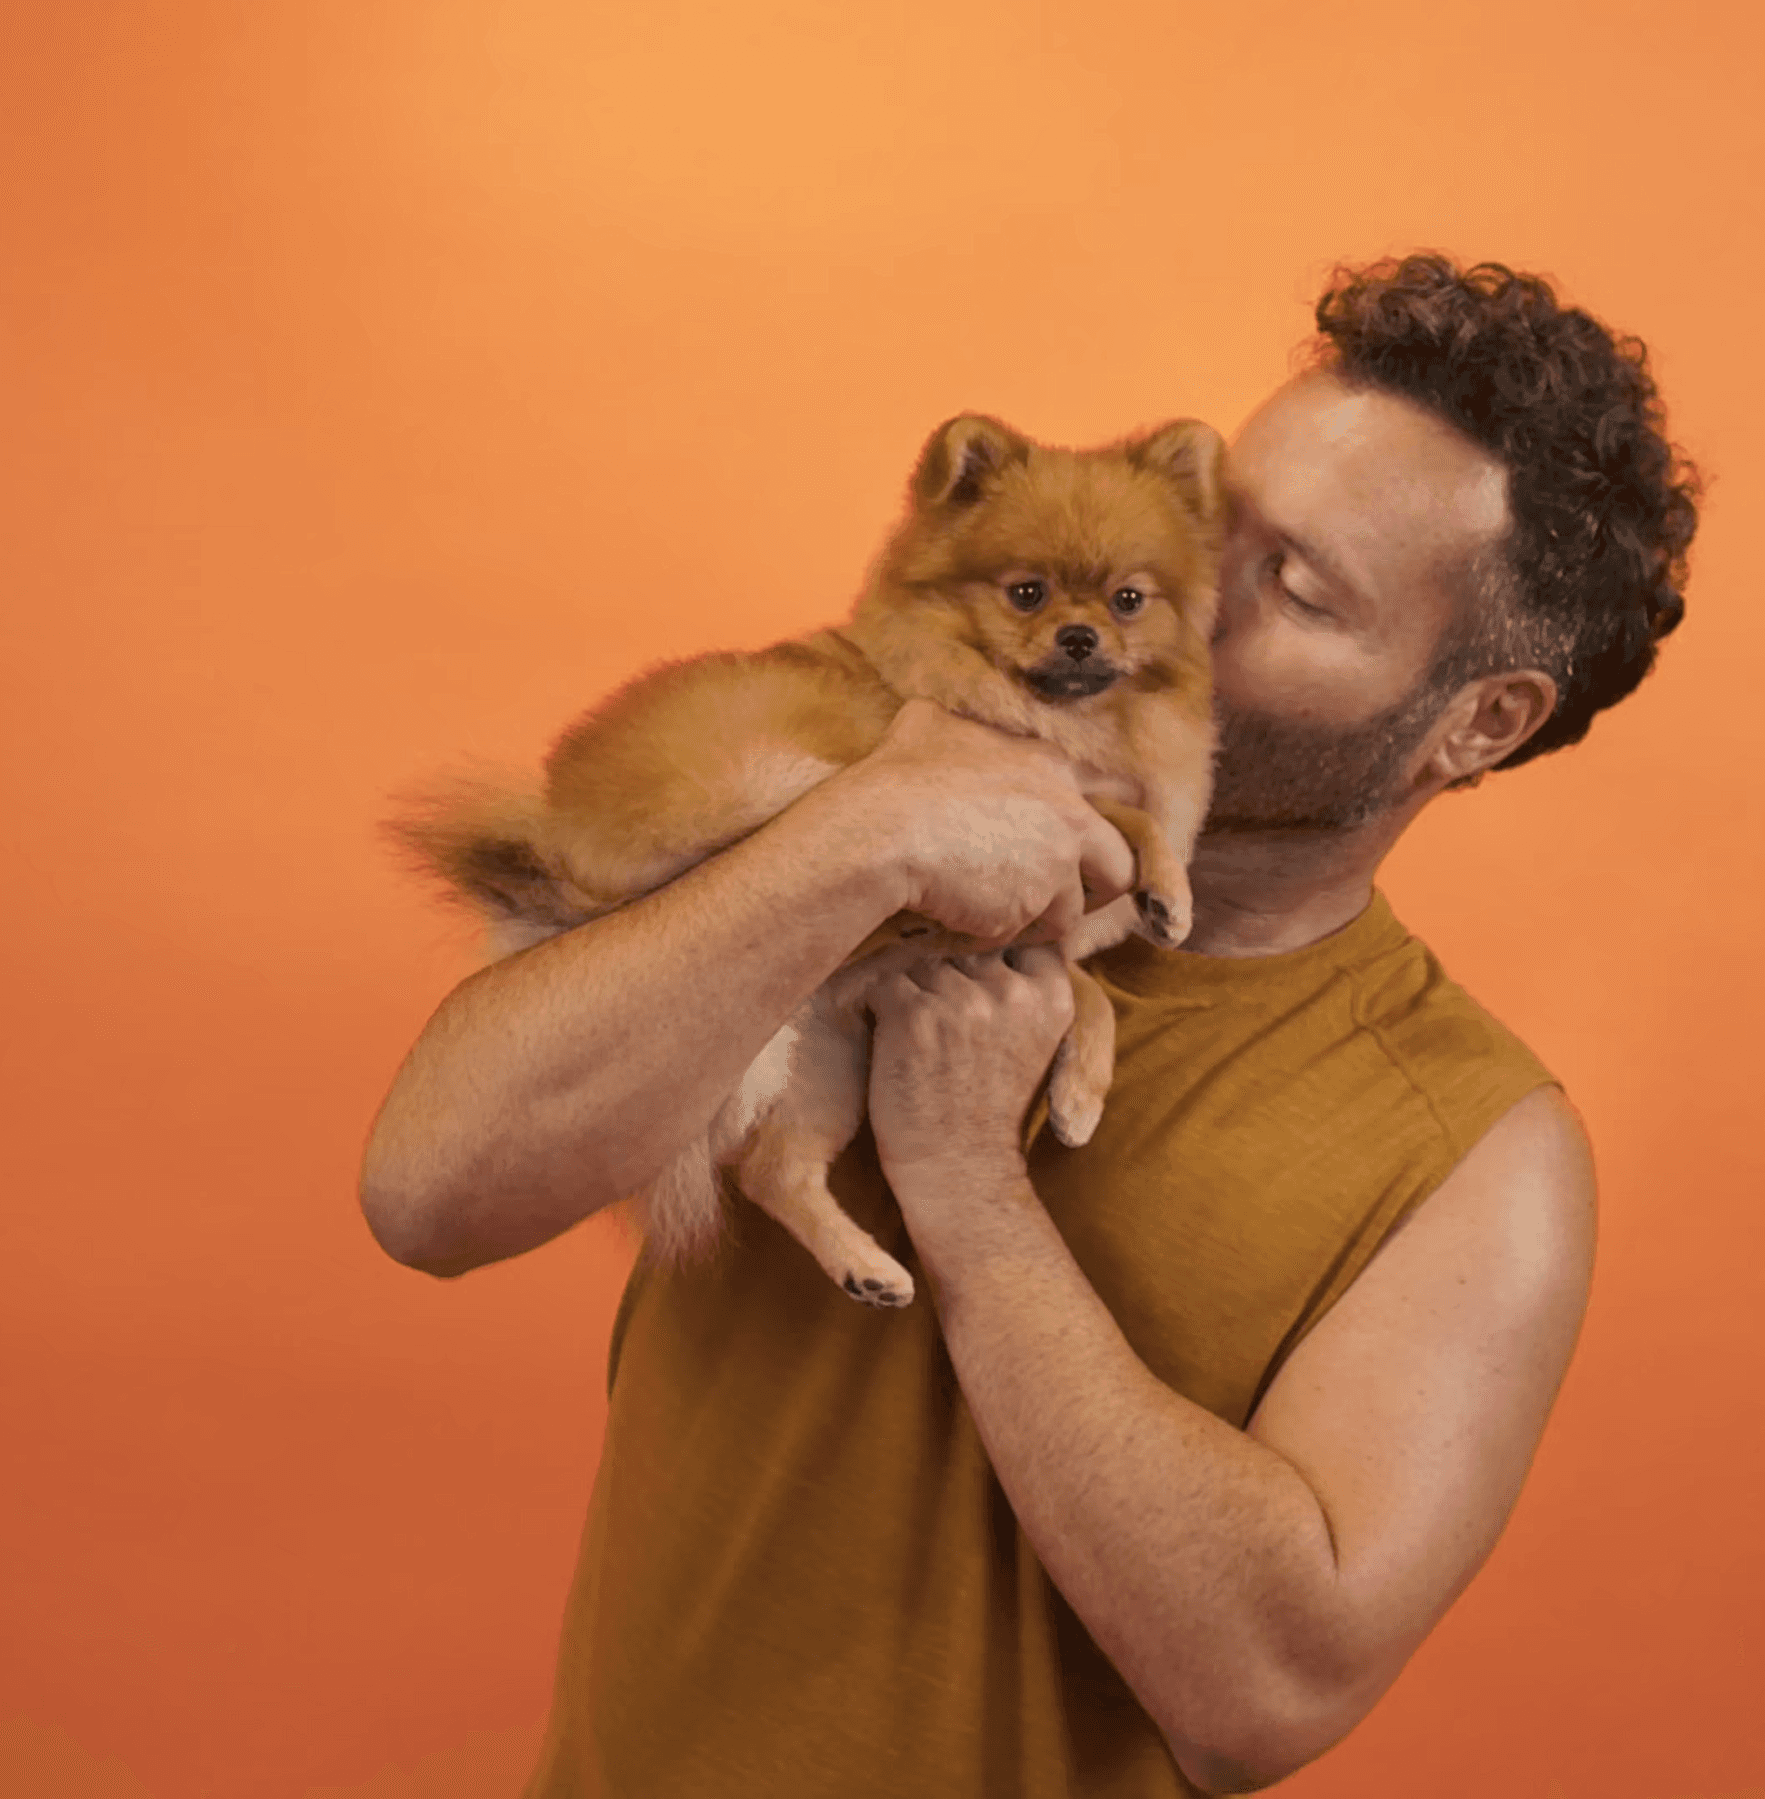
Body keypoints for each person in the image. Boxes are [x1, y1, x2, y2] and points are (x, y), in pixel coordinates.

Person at [359, 253, 1701, 1797]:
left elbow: (1265, 1688)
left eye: (1297, 586)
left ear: (1478, 721)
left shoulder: (1476, 1151)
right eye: (1216, 523)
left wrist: (971, 1194)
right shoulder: (820, 772)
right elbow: (430, 1191)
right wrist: (862, 835)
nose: (1187, 586)